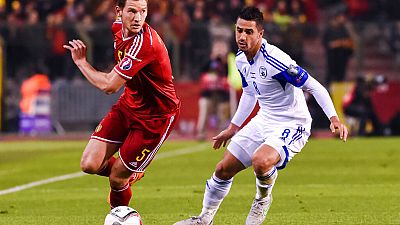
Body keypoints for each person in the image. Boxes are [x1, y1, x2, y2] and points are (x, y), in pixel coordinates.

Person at [174, 6, 347, 225]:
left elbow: (314, 87)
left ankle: (262, 199)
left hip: (292, 123)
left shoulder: (277, 61)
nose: (242, 36)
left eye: (248, 32)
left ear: (260, 34)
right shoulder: (240, 59)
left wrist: (334, 118)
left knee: (261, 161)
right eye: (239, 30)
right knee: (222, 169)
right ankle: (203, 219)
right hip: (264, 119)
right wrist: (233, 127)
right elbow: (249, 92)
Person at [63, 0, 180, 209]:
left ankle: (122, 216)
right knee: (89, 164)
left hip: (156, 116)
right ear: (119, 12)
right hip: (129, 104)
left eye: (143, 12)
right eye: (132, 11)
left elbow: (109, 86)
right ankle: (131, 170)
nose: (138, 18)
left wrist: (81, 62)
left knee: (117, 178)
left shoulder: (146, 44)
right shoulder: (117, 27)